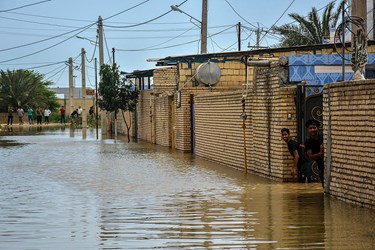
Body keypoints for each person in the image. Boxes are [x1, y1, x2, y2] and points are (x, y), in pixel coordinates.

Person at [305, 119, 324, 188]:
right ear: (307, 129)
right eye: (310, 128)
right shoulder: (308, 142)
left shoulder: (323, 137)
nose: (313, 130)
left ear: (317, 128)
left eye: (314, 128)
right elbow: (311, 157)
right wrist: (321, 153)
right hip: (321, 166)